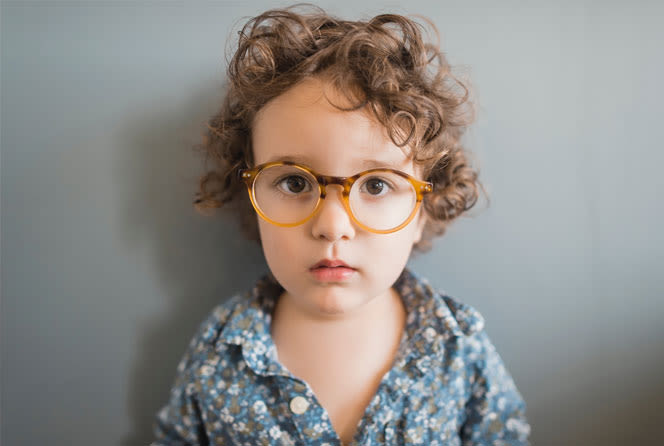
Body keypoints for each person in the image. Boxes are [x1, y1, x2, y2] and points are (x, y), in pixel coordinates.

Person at [151, 4, 530, 446]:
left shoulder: (458, 349)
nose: (333, 226)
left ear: (423, 207)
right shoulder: (220, 353)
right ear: (250, 195)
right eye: (294, 183)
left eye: (375, 186)